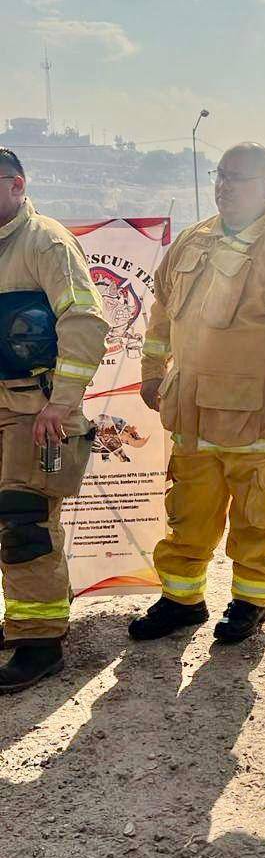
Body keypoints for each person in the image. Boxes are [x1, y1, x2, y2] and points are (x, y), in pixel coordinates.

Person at [132, 142, 265, 644]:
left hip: (260, 418)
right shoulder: (192, 241)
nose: (225, 186)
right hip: (193, 413)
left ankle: (249, 603)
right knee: (188, 514)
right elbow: (162, 310)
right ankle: (182, 600)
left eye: (238, 178)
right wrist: (153, 368)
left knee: (257, 518)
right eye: (221, 176)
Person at [0, 148, 108, 692]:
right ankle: (27, 616)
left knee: (25, 520)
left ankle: (39, 643)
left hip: (35, 408)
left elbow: (85, 318)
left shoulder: (46, 242)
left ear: (17, 185)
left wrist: (62, 402)